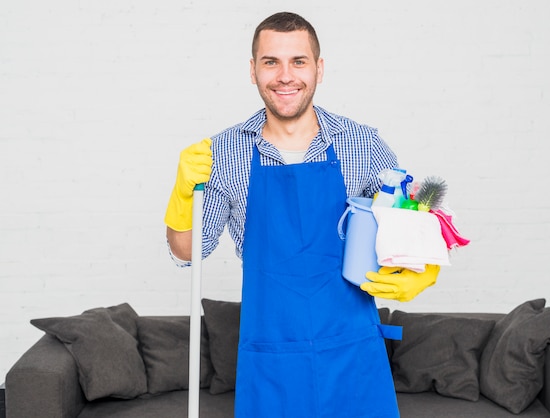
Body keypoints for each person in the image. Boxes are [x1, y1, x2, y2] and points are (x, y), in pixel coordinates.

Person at [164, 11, 440, 418]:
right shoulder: (221, 154)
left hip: (351, 352)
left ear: (319, 68)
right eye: (270, 61)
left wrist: (422, 266)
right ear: (253, 70)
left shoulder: (362, 144)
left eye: (299, 61)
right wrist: (182, 196)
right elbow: (189, 251)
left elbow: (404, 224)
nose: (285, 75)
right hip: (271, 356)